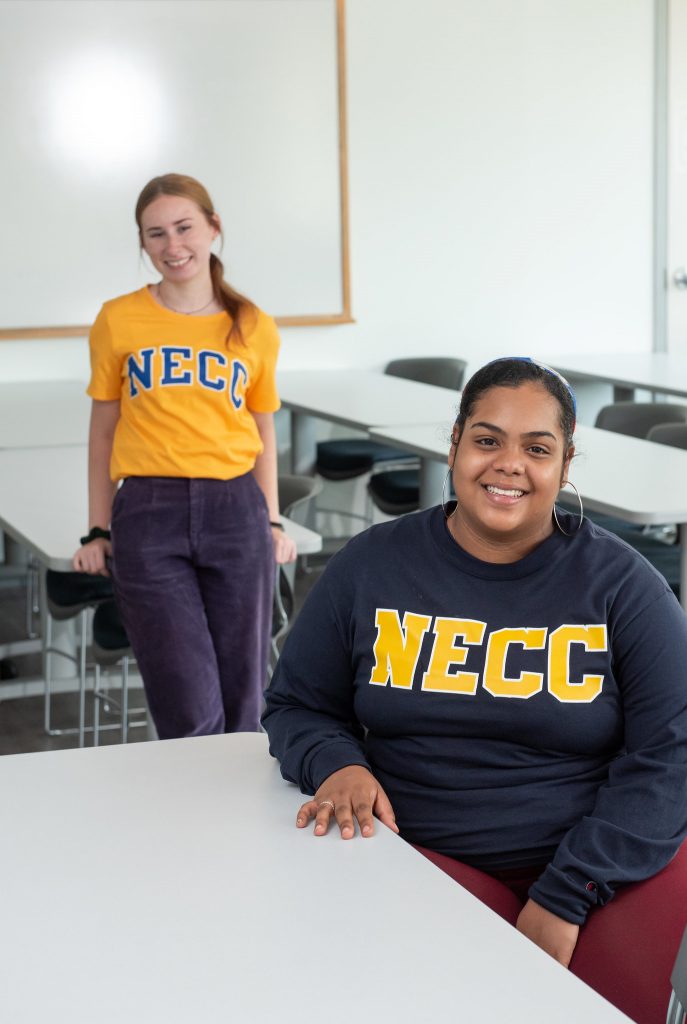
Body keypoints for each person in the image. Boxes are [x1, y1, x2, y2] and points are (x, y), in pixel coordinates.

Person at [262, 357, 687, 1024]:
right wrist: (336, 762)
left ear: (565, 462)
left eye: (536, 448)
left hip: (601, 865)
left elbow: (672, 755)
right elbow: (297, 704)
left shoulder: (622, 587)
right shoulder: (371, 566)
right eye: (487, 439)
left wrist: (565, 895)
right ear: (454, 441)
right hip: (419, 856)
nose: (507, 464)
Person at [73, 172, 296, 739]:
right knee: (189, 707)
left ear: (213, 228)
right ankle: (195, 824)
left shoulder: (253, 326)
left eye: (184, 228)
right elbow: (103, 432)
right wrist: (96, 530)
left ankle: (240, 826)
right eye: (155, 235)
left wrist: (271, 518)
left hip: (236, 509)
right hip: (149, 513)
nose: (173, 246)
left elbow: (263, 430)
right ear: (143, 245)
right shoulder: (118, 319)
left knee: (245, 701)